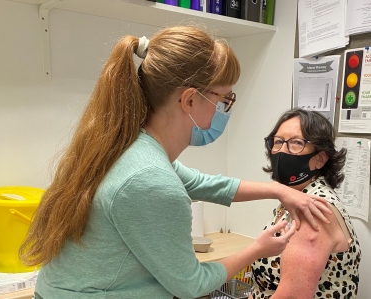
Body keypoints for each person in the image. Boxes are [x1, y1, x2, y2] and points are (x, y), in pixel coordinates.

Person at [20, 26, 331, 299]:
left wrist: (279, 191)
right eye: (225, 100)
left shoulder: (132, 146)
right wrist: (257, 249)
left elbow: (202, 184)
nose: (226, 110)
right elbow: (191, 284)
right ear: (190, 100)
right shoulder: (148, 177)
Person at [250, 108, 362, 299]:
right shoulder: (295, 198)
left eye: (296, 143)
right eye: (278, 142)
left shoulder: (312, 208)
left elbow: (292, 296)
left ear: (320, 158)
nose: (283, 150)